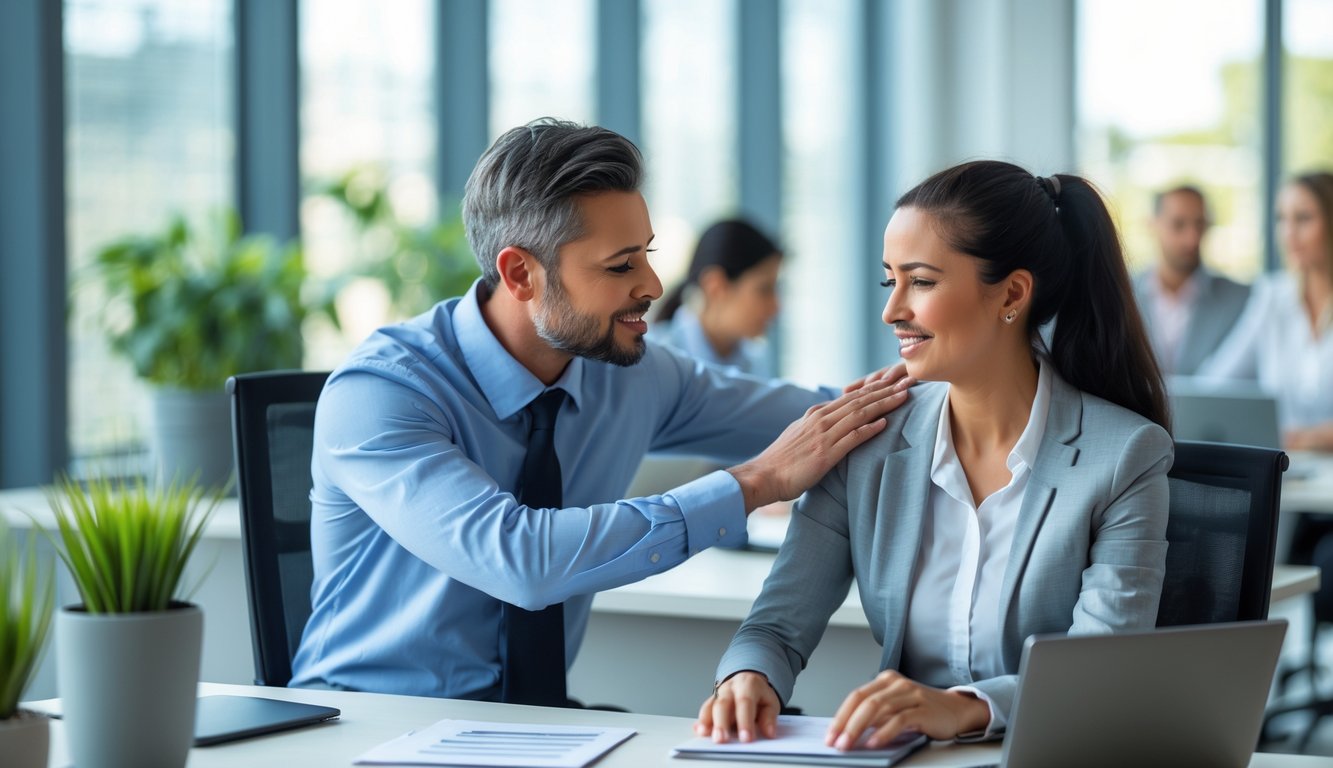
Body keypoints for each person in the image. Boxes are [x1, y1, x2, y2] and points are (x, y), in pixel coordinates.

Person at [288, 118, 912, 704]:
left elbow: (824, 417)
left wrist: (966, 378)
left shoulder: (632, 374)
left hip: (538, 727)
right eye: (621, 266)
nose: (654, 285)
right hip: (368, 725)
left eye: (645, 252)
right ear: (520, 273)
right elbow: (522, 560)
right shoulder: (381, 395)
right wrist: (754, 484)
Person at [697, 160, 1173, 749]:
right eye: (887, 280)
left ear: (1012, 294)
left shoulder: (1124, 455)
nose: (892, 310)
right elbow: (774, 626)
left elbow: (1099, 673)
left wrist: (964, 709)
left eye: (920, 282)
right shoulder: (868, 438)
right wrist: (749, 675)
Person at [1198, 171, 1333, 451]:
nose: (1288, 233)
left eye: (1304, 218)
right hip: (1288, 475)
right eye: (1282, 219)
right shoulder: (1272, 297)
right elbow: (1215, 383)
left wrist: (1316, 437)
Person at [1131, 184, 1250, 375]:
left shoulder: (1241, 300)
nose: (1192, 239)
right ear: (1152, 225)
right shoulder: (1120, 294)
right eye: (1178, 225)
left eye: (1200, 224)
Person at [653, 218, 783, 378]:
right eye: (764, 290)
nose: (776, 307)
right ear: (716, 287)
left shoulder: (756, 362)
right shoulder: (654, 358)